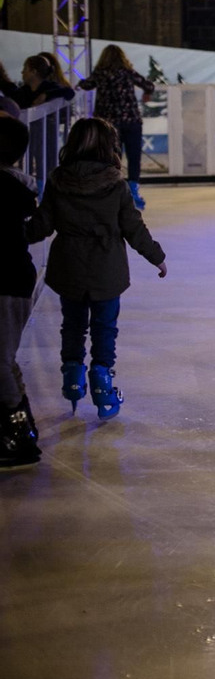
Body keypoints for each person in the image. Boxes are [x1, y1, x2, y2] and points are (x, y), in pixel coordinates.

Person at [26, 117, 168, 421]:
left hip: (69, 265)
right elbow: (133, 226)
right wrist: (156, 256)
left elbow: (41, 227)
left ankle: (72, 378)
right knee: (105, 326)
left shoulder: (57, 180)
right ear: (109, 145)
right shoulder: (115, 183)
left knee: (73, 324)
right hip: (106, 267)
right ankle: (103, 385)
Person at [0, 117, 39, 468]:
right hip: (13, 280)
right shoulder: (15, 186)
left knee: (0, 360)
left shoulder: (8, 187)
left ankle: (19, 434)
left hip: (8, 282)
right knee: (4, 358)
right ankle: (20, 424)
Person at [78, 45, 156, 208]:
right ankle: (134, 192)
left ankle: (114, 190)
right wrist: (146, 94)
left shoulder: (100, 74)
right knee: (134, 157)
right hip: (131, 120)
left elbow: (86, 85)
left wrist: (78, 83)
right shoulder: (128, 73)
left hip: (109, 123)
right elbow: (148, 85)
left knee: (112, 158)